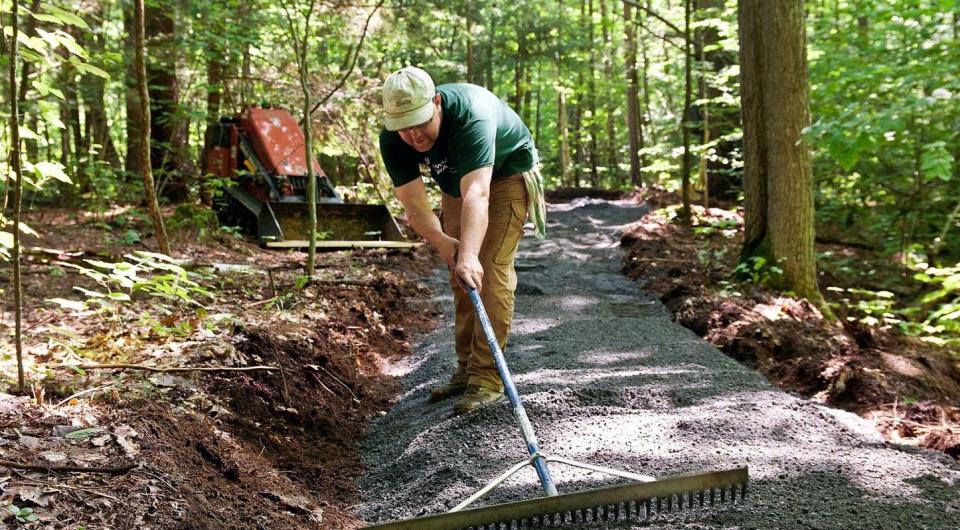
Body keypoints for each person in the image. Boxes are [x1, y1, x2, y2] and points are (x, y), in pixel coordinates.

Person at [378, 66, 546, 415]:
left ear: (436, 102)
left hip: (504, 175)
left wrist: (470, 254)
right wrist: (443, 242)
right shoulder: (394, 137)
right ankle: (466, 368)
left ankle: (487, 378)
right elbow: (414, 206)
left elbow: (479, 194)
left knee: (488, 268)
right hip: (458, 182)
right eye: (403, 127)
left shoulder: (472, 116)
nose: (413, 135)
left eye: (420, 123)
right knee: (460, 274)